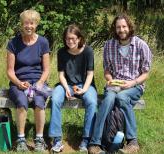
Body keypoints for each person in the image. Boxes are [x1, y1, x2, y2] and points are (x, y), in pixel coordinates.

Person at [88, 14, 152, 154]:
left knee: (122, 97)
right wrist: (110, 79)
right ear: (115, 29)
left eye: (124, 26)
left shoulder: (141, 45)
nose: (121, 30)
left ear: (129, 27)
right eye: (118, 27)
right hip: (114, 85)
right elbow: (107, 71)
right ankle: (95, 143)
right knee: (109, 98)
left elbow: (146, 73)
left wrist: (132, 83)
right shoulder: (109, 45)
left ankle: (132, 142)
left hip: (134, 85)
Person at [48, 24, 98, 153]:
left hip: (85, 84)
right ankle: (57, 139)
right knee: (55, 99)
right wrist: (66, 88)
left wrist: (84, 90)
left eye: (73, 38)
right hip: (66, 84)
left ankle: (86, 139)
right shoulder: (61, 52)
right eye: (67, 39)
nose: (70, 41)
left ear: (79, 38)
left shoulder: (88, 51)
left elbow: (90, 74)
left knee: (92, 102)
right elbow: (61, 75)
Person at [6, 9, 50, 152]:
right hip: (18, 82)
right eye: (26, 23)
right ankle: (21, 139)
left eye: (32, 23)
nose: (28, 26)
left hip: (38, 82)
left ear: (36, 24)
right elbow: (10, 71)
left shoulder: (43, 42)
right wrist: (19, 83)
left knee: (39, 101)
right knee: (21, 101)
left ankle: (39, 139)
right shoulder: (13, 43)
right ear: (21, 24)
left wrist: (40, 83)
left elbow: (46, 70)